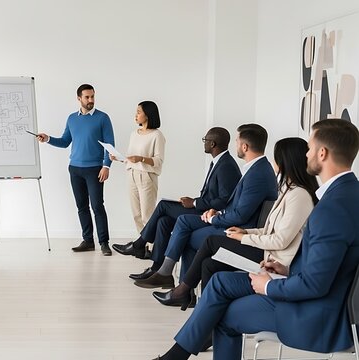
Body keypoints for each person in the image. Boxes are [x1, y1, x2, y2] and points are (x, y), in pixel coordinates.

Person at [153, 119, 359, 360]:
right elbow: (330, 265)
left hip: (315, 316)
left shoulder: (330, 209)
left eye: (310, 148)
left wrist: (269, 285)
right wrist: (286, 269)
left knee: (224, 314)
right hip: (314, 294)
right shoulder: (348, 195)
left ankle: (175, 355)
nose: (306, 154)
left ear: (322, 153)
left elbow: (315, 285)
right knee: (219, 281)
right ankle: (175, 355)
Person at [152, 137, 318, 309]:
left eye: (276, 158)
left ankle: (181, 290)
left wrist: (242, 238)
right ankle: (204, 315)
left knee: (208, 241)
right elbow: (269, 230)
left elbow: (279, 240)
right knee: (209, 264)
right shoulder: (286, 190)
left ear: (285, 161)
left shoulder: (299, 196)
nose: (274, 163)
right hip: (265, 249)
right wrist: (246, 233)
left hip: (271, 259)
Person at [135, 124, 278, 289]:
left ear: (245, 146)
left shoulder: (257, 174)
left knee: (184, 232)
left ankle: (176, 284)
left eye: (238, 141)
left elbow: (241, 216)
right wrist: (217, 212)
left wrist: (214, 218)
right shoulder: (257, 169)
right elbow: (238, 206)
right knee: (180, 223)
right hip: (232, 220)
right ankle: (176, 285)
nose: (236, 144)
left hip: (238, 229)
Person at [113, 127, 241, 265]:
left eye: (205, 140)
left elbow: (223, 201)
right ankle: (157, 268)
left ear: (212, 144)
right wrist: (193, 201)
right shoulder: (219, 162)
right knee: (163, 221)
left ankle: (139, 244)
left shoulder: (226, 165)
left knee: (163, 205)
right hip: (205, 208)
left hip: (210, 214)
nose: (204, 143)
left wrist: (194, 203)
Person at [36, 83, 116, 256]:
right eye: (87, 97)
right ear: (79, 98)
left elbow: (109, 145)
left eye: (93, 96)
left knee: (97, 206)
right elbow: (65, 141)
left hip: (95, 169)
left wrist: (106, 166)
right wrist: (48, 138)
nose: (91, 100)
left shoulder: (103, 118)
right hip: (75, 169)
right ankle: (88, 241)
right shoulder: (72, 118)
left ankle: (104, 243)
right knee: (81, 207)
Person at [109, 100, 165, 237]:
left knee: (148, 215)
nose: (136, 115)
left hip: (146, 177)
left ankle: (151, 247)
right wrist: (119, 158)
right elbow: (131, 158)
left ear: (148, 115)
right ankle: (142, 244)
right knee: (137, 215)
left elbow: (158, 161)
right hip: (131, 174)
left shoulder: (157, 135)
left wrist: (141, 159)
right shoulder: (134, 134)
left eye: (139, 112)